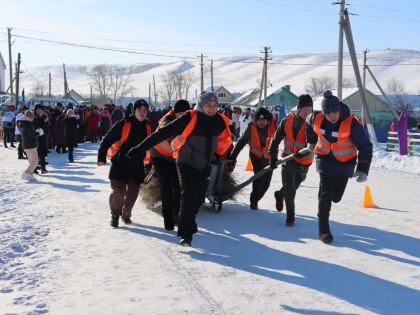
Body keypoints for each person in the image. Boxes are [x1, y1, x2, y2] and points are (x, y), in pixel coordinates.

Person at [126, 92, 232, 246]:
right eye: (209, 105)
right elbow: (163, 133)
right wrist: (139, 148)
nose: (212, 109)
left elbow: (225, 140)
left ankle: (188, 222)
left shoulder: (219, 121)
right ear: (201, 105)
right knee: (188, 195)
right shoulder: (190, 117)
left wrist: (218, 155)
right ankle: (186, 234)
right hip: (185, 161)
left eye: (215, 106)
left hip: (204, 164)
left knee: (198, 197)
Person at [305, 90, 373, 243]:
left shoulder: (352, 124)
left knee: (336, 197)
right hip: (324, 159)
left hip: (345, 163)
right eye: (329, 113)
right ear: (323, 113)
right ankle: (323, 230)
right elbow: (308, 123)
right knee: (326, 194)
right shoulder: (315, 118)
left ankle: (326, 194)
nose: (333, 116)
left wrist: (362, 168)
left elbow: (365, 146)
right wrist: (311, 141)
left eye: (335, 112)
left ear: (340, 109)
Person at [97, 99, 152, 228]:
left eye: (145, 110)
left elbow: (152, 144)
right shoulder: (122, 124)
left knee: (133, 192)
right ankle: (115, 214)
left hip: (137, 165)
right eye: (140, 110)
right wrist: (101, 157)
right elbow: (106, 140)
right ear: (134, 111)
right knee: (119, 191)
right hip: (120, 163)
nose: (143, 113)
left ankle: (126, 214)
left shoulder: (148, 126)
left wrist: (153, 162)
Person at [268, 94, 315, 226]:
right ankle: (290, 216)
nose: (308, 112)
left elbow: (318, 141)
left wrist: (304, 150)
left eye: (310, 109)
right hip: (288, 159)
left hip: (305, 162)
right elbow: (275, 139)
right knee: (290, 188)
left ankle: (279, 195)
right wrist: (272, 156)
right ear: (299, 109)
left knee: (294, 186)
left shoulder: (314, 123)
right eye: (305, 109)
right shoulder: (287, 120)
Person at [149, 99, 191, 231]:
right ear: (175, 112)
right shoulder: (167, 120)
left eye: (186, 113)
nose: (183, 116)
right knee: (166, 186)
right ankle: (168, 220)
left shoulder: (189, 120)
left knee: (179, 186)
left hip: (173, 157)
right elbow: (170, 136)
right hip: (159, 155)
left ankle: (175, 214)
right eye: (181, 113)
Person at [229, 107, 276, 210]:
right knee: (259, 179)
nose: (262, 122)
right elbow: (241, 142)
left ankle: (256, 198)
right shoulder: (251, 127)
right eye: (259, 120)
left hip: (269, 159)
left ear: (268, 120)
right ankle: (254, 201)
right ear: (256, 120)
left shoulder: (273, 127)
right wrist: (233, 157)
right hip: (256, 157)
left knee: (266, 184)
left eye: (264, 120)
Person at [17, 110, 42, 181]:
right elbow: (32, 135)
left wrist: (35, 132)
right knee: (35, 162)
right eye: (32, 117)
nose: (33, 119)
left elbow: (28, 133)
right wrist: (38, 133)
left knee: (32, 162)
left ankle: (30, 175)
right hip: (30, 144)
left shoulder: (21, 122)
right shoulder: (27, 124)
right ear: (30, 117)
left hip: (26, 144)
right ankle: (26, 173)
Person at [33, 104, 49, 174]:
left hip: (42, 138)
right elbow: (34, 125)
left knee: (42, 154)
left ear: (43, 111)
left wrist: (44, 123)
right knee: (35, 154)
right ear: (35, 110)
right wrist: (39, 118)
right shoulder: (33, 117)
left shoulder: (45, 117)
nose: (39, 111)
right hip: (34, 138)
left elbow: (47, 128)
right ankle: (34, 168)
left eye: (40, 110)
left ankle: (43, 168)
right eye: (37, 110)